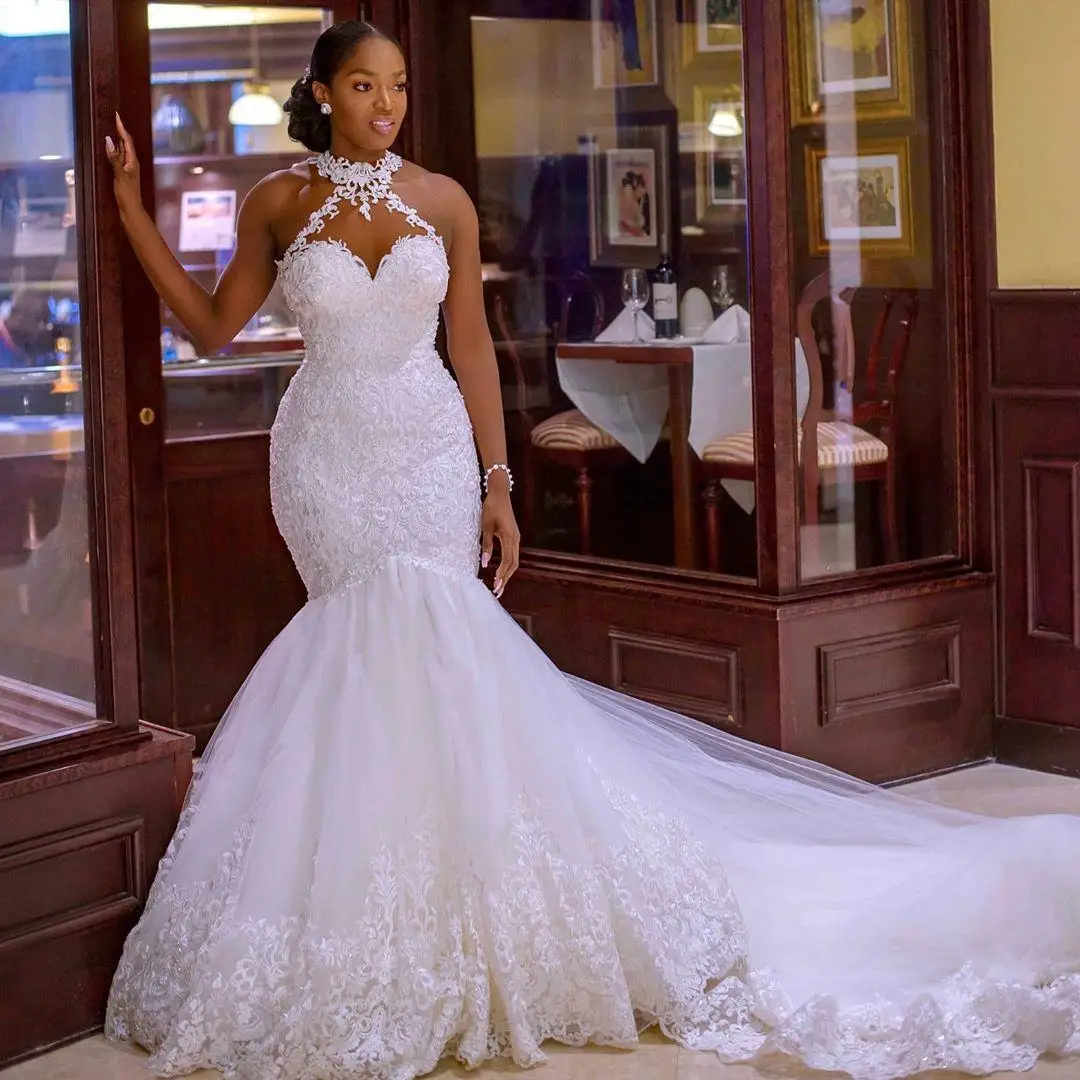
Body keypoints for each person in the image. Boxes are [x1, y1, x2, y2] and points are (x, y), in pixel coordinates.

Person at [102, 20, 1080, 1080]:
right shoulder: (276, 204)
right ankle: (386, 909)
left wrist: (498, 480)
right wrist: (125, 211)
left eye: (398, 88)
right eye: (364, 86)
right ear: (324, 92)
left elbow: (469, 345)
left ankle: (489, 908)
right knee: (361, 653)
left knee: (441, 640)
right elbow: (208, 327)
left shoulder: (444, 202)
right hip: (327, 458)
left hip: (428, 447)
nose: (387, 106)